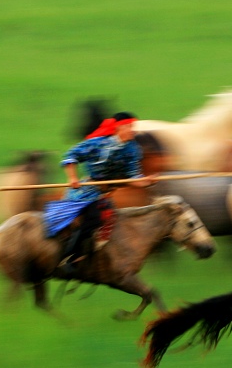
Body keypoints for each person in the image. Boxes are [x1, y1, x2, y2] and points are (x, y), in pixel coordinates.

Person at [45, 112, 152, 273]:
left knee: (111, 221)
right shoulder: (96, 144)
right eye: (130, 126)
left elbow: (133, 176)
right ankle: (69, 258)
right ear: (119, 128)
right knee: (94, 217)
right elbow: (71, 156)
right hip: (85, 191)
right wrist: (72, 177)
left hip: (105, 194)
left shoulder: (132, 149)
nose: (133, 131)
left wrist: (146, 182)